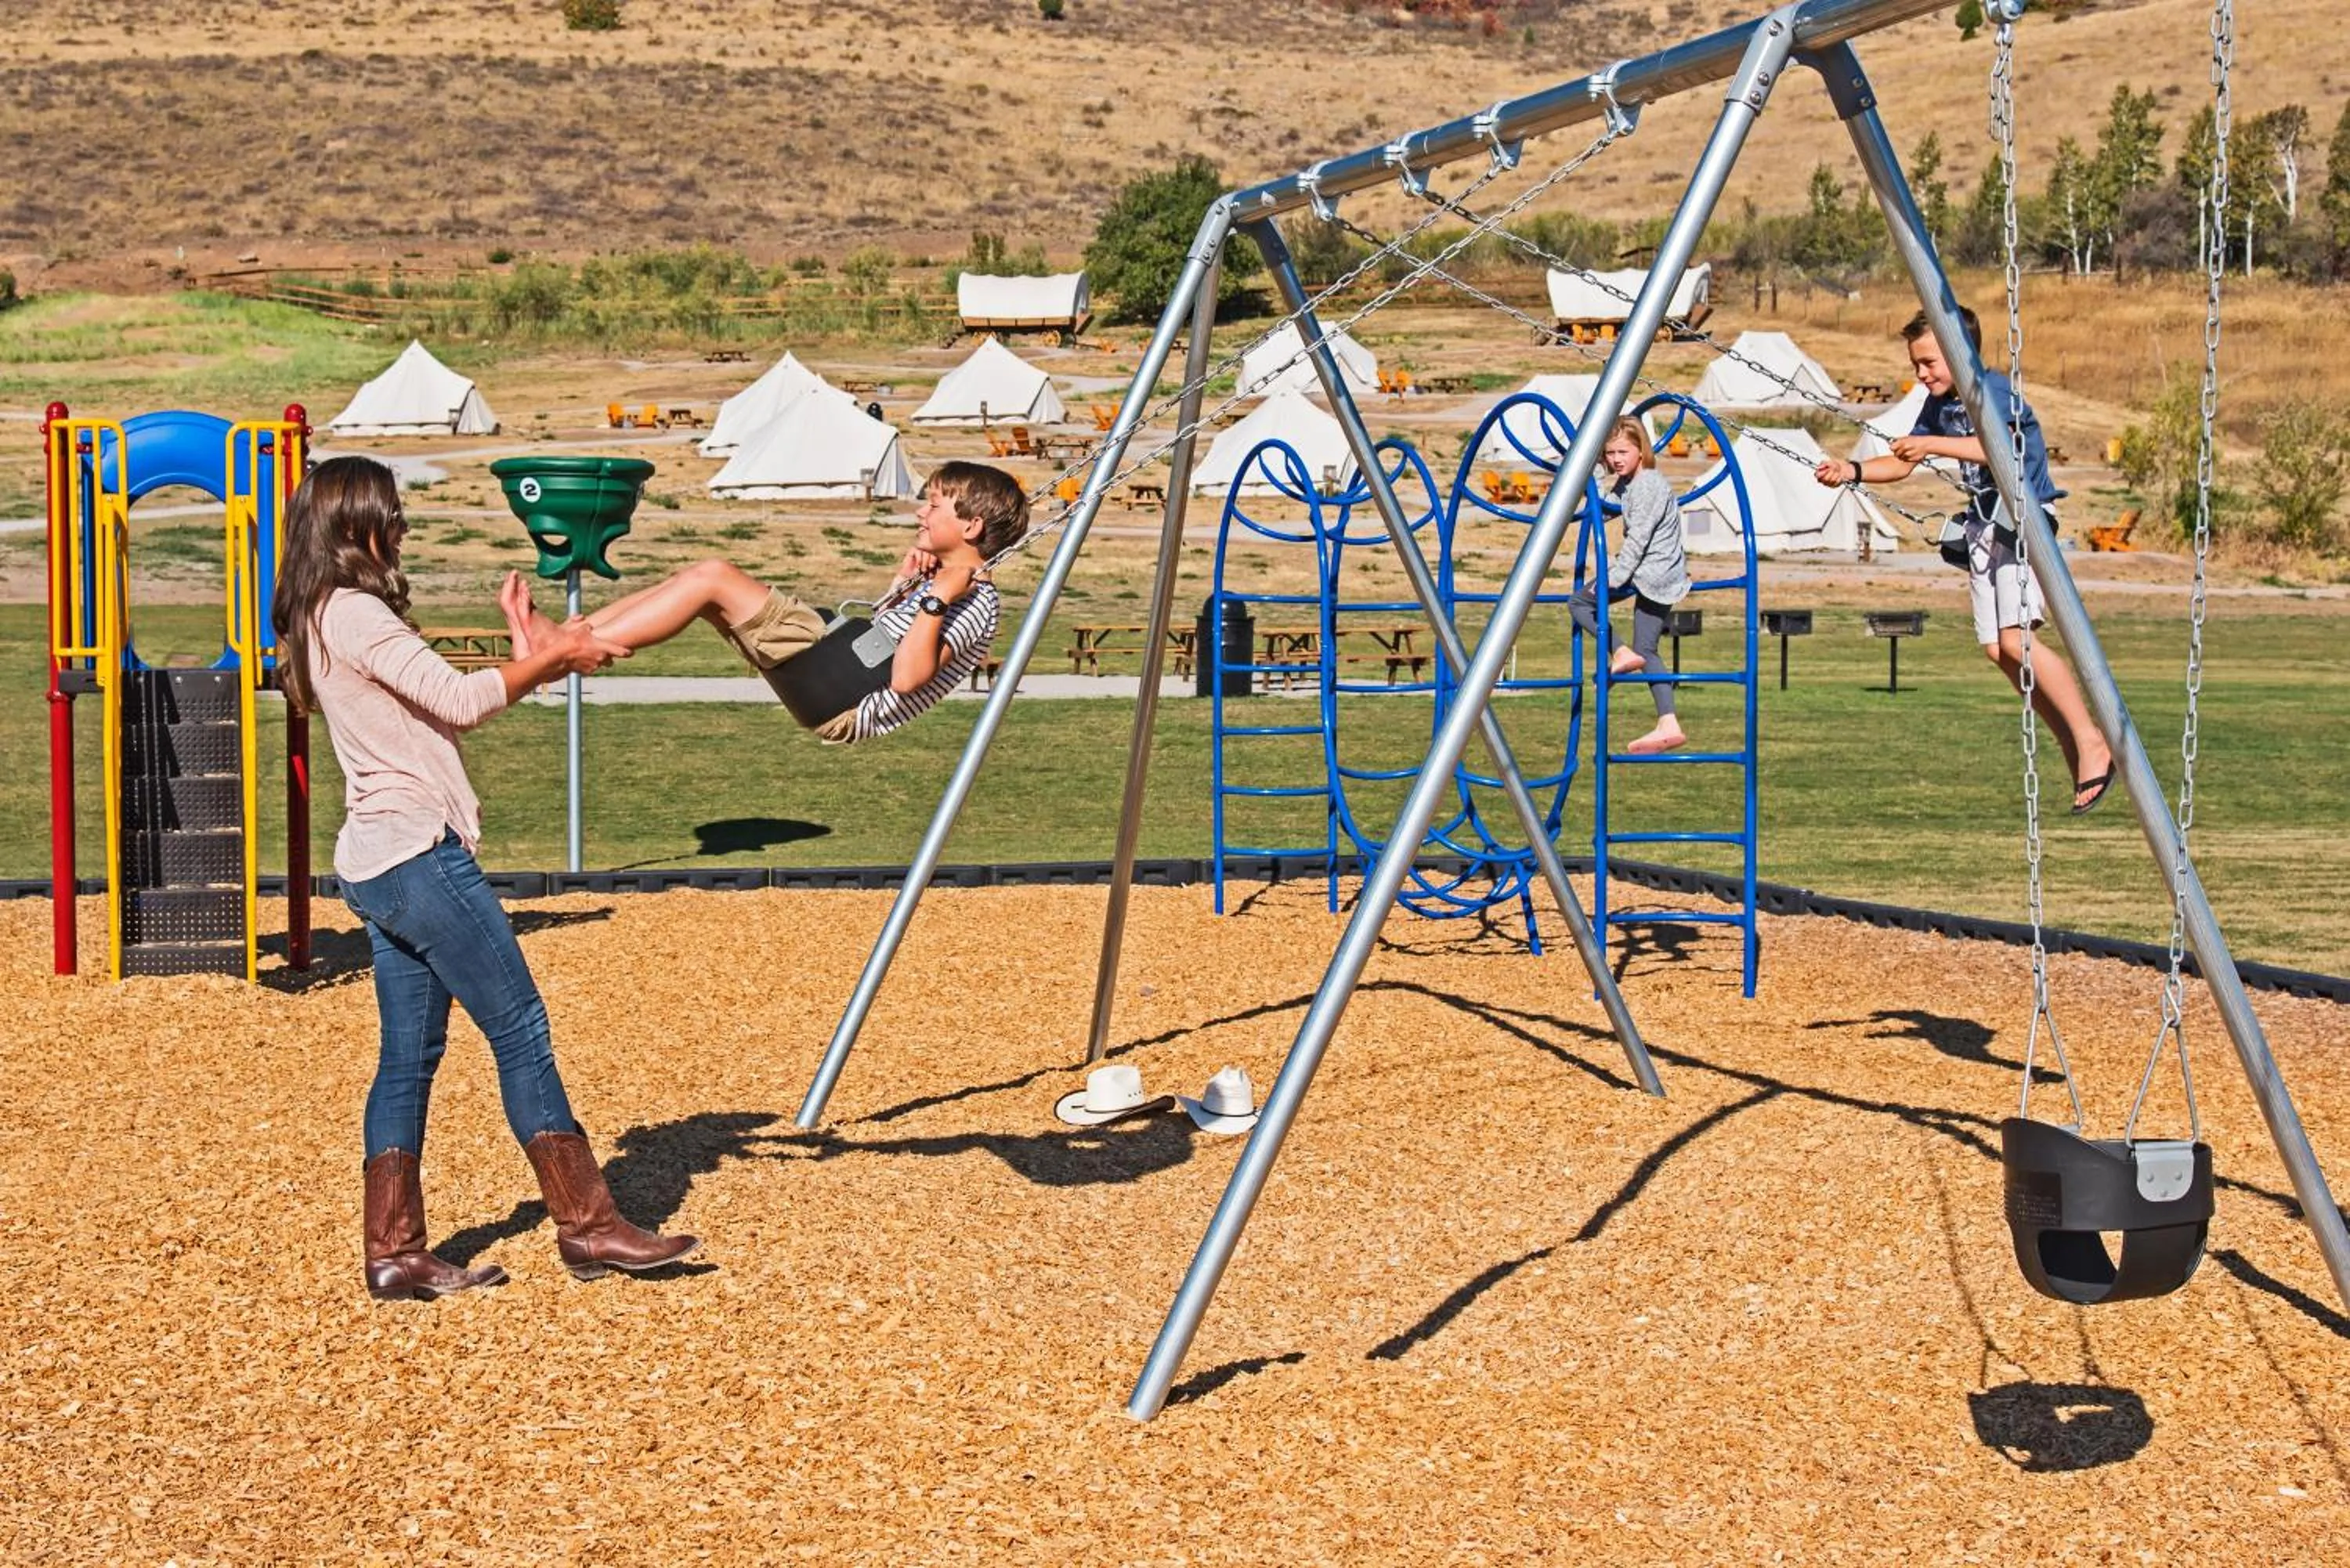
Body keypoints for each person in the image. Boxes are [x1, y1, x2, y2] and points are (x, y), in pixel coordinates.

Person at [273, 456, 700, 1301]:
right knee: (520, 1028)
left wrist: (527, 653)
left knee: (408, 1060)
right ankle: (588, 1226)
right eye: (389, 516)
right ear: (356, 524)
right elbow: (461, 702)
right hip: (419, 859)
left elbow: (438, 705)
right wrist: (560, 651)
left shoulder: (321, 614)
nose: (400, 529)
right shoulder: (355, 611)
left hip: (377, 860)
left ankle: (394, 1251)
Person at [1811, 306, 2113, 813]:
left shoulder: (1990, 393)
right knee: (1999, 650)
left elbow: (2005, 450)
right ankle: (2069, 739)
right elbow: (1903, 463)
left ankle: (2091, 739)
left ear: (1961, 353)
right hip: (1984, 522)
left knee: (2020, 640)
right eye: (1916, 365)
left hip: (2024, 520)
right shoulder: (1939, 403)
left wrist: (1930, 442)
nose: (1922, 374)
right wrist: (1854, 470)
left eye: (1929, 362)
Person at [500, 460, 1028, 744]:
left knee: (712, 578)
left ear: (971, 525)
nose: (920, 514)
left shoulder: (976, 600)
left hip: (848, 693)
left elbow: (908, 677)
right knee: (701, 587)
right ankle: (564, 642)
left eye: (933, 506)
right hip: (842, 670)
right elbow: (887, 637)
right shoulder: (948, 583)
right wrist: (906, 582)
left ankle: (564, 645)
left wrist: (935, 600)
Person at [1567, 416, 1692, 755]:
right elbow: (1601, 506)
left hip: (1649, 572)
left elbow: (1639, 537)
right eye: (1609, 454)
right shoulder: (1629, 484)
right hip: (1655, 573)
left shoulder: (1649, 485)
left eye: (1623, 451)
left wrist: (1615, 579)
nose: (1616, 459)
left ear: (1641, 451)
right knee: (1648, 650)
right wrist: (1593, 465)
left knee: (1580, 603)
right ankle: (1668, 722)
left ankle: (1620, 651)